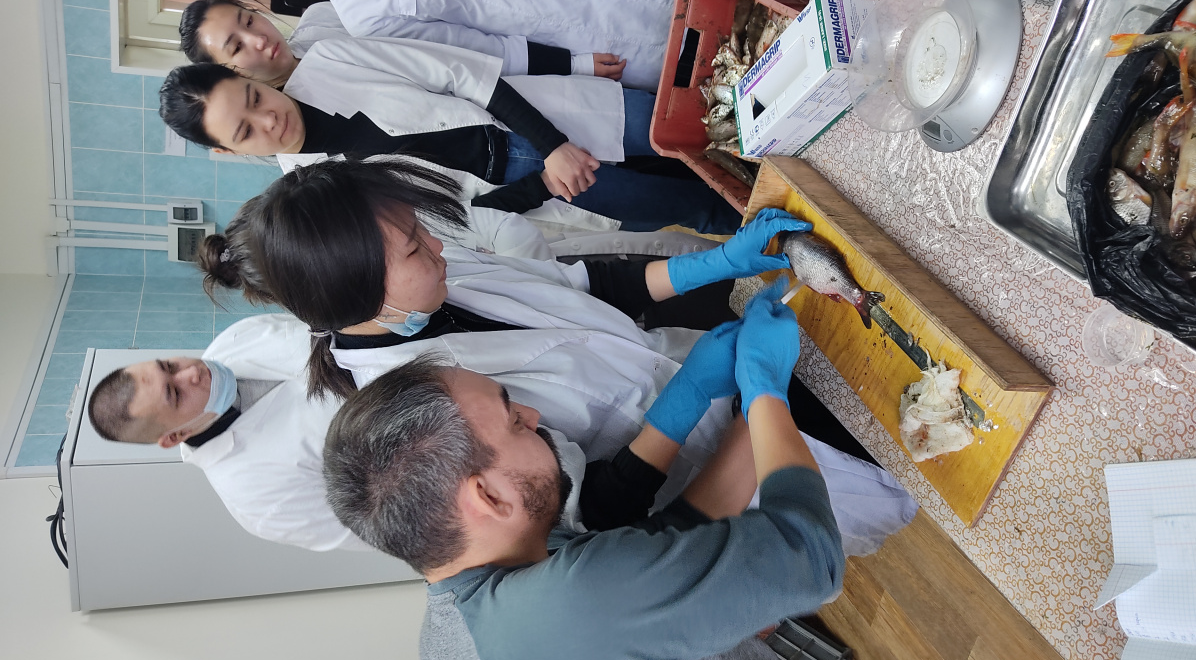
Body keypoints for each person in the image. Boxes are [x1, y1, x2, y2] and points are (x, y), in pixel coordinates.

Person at [201, 156, 917, 540]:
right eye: (413, 248)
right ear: (360, 295)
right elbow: (595, 509)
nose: (435, 247)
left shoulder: (436, 276)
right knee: (911, 460)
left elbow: (587, 285)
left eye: (421, 229)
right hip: (721, 466)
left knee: (887, 394)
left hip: (722, 368)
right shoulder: (413, 421)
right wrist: (689, 395)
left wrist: (721, 262)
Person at [324, 282, 847, 660]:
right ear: (487, 497)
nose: (533, 416)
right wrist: (766, 393)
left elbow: (661, 547)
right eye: (513, 422)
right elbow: (812, 555)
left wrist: (709, 398)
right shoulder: (565, 611)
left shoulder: (483, 562)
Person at [157, 54, 740, 233]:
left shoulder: (329, 61)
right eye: (245, 131)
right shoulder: (315, 194)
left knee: (715, 129)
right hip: (544, 191)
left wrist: (552, 144)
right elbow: (452, 223)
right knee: (700, 206)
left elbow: (461, 73)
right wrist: (544, 181)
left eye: (253, 96)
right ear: (228, 153)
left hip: (543, 118)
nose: (269, 118)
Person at [84, 314, 367, 551]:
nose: (191, 373)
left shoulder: (233, 339)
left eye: (169, 366)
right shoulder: (258, 498)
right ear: (174, 437)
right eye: (176, 393)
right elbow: (375, 527)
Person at [227, 0, 674, 90]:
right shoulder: (364, 15)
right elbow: (475, 51)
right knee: (695, 51)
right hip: (592, 29)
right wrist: (573, 64)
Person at [177, 0, 624, 88]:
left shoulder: (322, 19)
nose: (257, 39)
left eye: (248, 20)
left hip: (533, 66)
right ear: (227, 72)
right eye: (236, 47)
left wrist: (570, 63)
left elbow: (452, 42)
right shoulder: (298, 125)